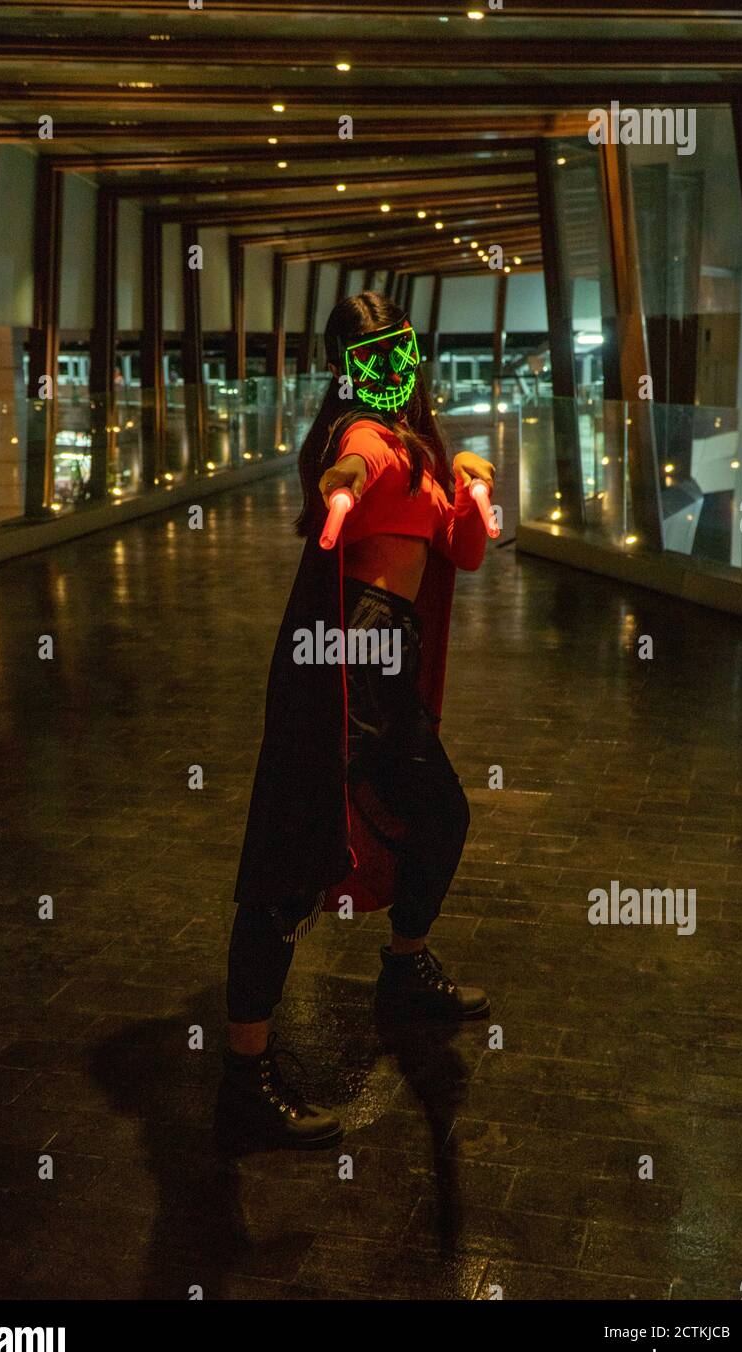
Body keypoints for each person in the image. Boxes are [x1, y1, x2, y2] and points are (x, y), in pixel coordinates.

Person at [218, 293, 496, 1148]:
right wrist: (341, 492)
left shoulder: (418, 448)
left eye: (398, 352)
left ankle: (405, 967)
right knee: (297, 850)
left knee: (435, 814)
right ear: (346, 369)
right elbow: (351, 464)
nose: (388, 371)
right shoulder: (368, 439)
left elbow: (467, 549)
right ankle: (243, 1071)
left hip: (387, 664)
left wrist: (474, 487)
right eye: (369, 357)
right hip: (351, 659)